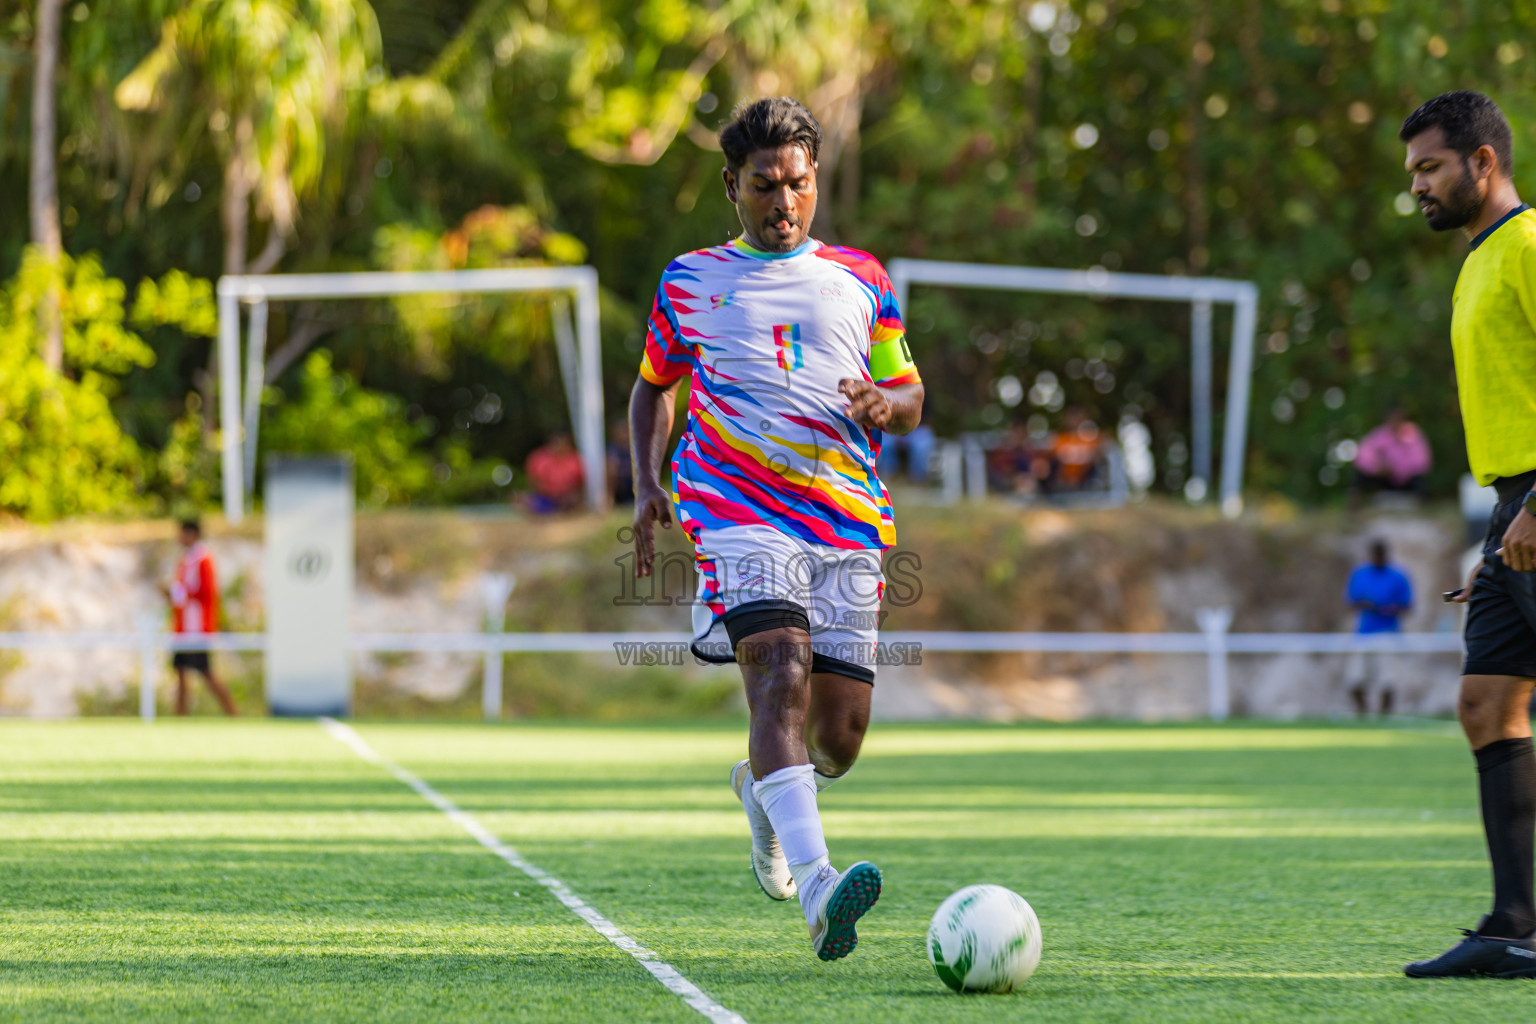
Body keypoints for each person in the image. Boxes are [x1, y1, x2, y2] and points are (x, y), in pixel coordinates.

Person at [628, 97, 923, 961]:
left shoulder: (863, 277)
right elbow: (654, 385)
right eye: (765, 186)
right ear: (733, 186)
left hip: (846, 517)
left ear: (816, 180)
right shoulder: (689, 280)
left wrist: (885, 404)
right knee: (777, 675)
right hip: (732, 508)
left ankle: (763, 792)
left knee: (841, 737)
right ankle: (821, 888)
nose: (783, 202)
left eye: (797, 184)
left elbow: (909, 391)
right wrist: (647, 483)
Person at [1399, 91, 1536, 978]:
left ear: (1483, 162)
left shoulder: (1527, 246)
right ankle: (1514, 926)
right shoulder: (1478, 259)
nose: (1416, 186)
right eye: (1412, 172)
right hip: (1510, 512)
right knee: (1487, 704)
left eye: (1429, 167)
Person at [159, 519, 237, 716]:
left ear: (192, 534)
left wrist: (175, 593)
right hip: (184, 628)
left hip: (197, 629)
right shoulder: (187, 560)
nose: (179, 538)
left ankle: (234, 714)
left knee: (206, 672)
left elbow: (205, 593)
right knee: (181, 673)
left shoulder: (203, 559)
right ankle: (180, 718)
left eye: (182, 533)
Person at [1344, 539, 1414, 715]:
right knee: (1355, 678)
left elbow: (1407, 605)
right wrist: (1367, 604)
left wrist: (1388, 608)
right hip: (1364, 634)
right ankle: (1363, 714)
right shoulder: (1360, 573)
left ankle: (1385, 717)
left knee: (1388, 680)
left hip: (1388, 633)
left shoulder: (1398, 576)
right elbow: (1351, 601)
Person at [1353, 408, 1432, 499]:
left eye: (1398, 419)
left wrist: (1396, 470)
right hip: (1385, 478)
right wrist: (1378, 466)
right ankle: (1355, 500)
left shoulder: (1412, 433)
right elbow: (1363, 455)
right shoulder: (1380, 434)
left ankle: (1420, 503)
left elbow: (1421, 462)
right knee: (1361, 474)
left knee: (1419, 480)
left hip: (1406, 480)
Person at [525, 431, 585, 513]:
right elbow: (533, 481)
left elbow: (580, 483)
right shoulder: (539, 459)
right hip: (545, 497)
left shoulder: (575, 459)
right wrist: (550, 493)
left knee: (573, 500)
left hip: (568, 497)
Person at [1049, 407, 1101, 493]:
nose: (1074, 421)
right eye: (1072, 417)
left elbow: (1094, 458)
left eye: (1077, 418)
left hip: (1084, 479)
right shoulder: (1060, 438)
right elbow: (1055, 459)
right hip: (1063, 480)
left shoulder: (1089, 438)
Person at [606, 420, 635, 505]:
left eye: (624, 432)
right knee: (611, 468)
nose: (622, 435)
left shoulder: (634, 448)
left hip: (633, 482)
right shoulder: (612, 449)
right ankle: (610, 498)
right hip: (620, 485)